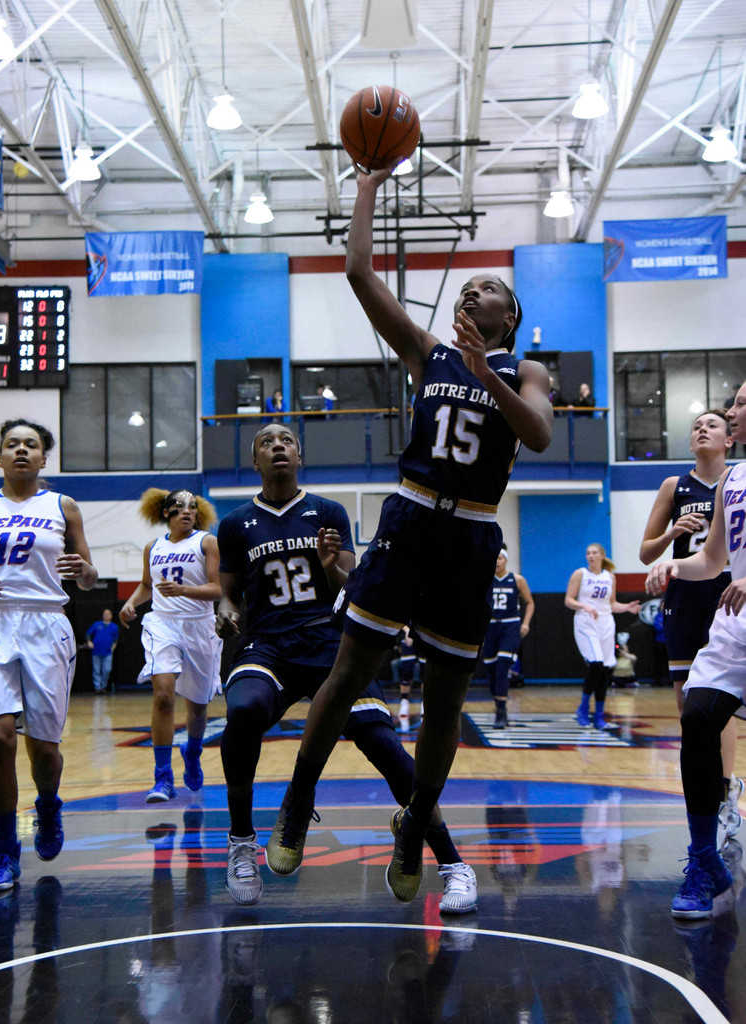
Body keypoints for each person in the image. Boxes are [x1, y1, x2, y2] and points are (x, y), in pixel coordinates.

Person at [265, 161, 553, 904]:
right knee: (350, 672)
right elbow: (360, 273)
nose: (471, 292)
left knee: (448, 698)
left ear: (509, 316)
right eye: (465, 289)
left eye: (485, 288)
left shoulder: (527, 371)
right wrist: (365, 184)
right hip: (410, 518)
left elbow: (541, 436)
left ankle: (415, 819)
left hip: (471, 538)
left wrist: (488, 373)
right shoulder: (428, 353)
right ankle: (298, 799)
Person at [215, 423, 476, 913]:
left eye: (286, 441)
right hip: (268, 646)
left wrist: (332, 563)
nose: (277, 447)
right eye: (267, 442)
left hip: (330, 644)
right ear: (255, 462)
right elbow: (229, 593)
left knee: (383, 743)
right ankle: (241, 843)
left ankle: (453, 864)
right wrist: (226, 614)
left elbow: (351, 579)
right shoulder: (234, 524)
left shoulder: (327, 512)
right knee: (244, 710)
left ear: (300, 455)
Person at [0, 418, 98, 893]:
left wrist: (84, 570)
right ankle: (5, 851)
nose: (21, 450)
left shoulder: (63, 506)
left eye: (31, 445)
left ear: (44, 458)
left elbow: (87, 576)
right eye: (12, 444)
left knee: (43, 748)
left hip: (46, 624)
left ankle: (48, 804)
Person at [646, 381, 746, 918]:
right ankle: (704, 860)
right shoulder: (730, 481)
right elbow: (712, 559)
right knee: (698, 716)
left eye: (742, 404)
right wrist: (670, 564)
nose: (732, 411)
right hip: (733, 624)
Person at [120, 488, 222, 803]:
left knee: (198, 706)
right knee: (163, 695)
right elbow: (147, 586)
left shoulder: (207, 542)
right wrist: (132, 602)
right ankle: (162, 777)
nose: (186, 512)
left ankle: (192, 752)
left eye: (192, 507)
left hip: (199, 627)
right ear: (166, 513)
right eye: (179, 507)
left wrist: (184, 590)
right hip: (162, 623)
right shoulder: (153, 547)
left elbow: (218, 590)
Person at [564, 544, 641, 730]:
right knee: (596, 663)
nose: (590, 556)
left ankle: (599, 715)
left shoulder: (610, 577)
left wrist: (626, 608)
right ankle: (583, 708)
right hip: (586, 621)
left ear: (601, 555)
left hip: (606, 623)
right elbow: (568, 600)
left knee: (605, 669)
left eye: (594, 553)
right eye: (588, 553)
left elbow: (612, 604)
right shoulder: (580, 574)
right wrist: (585, 606)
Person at [481, 545, 534, 728]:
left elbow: (530, 602)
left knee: (503, 665)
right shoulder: (486, 580)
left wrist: (525, 623)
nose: (497, 561)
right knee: (492, 669)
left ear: (506, 560)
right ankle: (498, 703)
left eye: (500, 558)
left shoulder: (517, 580)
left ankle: (501, 711)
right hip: (490, 628)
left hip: (510, 626)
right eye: (495, 558)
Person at [391, 625, 422, 721]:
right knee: (406, 670)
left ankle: (424, 703)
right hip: (409, 633)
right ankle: (404, 701)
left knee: (425, 671)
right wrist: (407, 629)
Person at [85, 608, 119, 693]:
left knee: (107, 670)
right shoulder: (97, 624)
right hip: (96, 651)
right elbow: (88, 633)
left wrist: (112, 648)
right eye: (105, 614)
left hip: (107, 652)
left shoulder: (114, 627)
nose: (106, 616)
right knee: (96, 670)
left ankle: (103, 686)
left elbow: (116, 639)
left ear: (111, 616)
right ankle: (97, 687)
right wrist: (89, 641)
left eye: (108, 614)